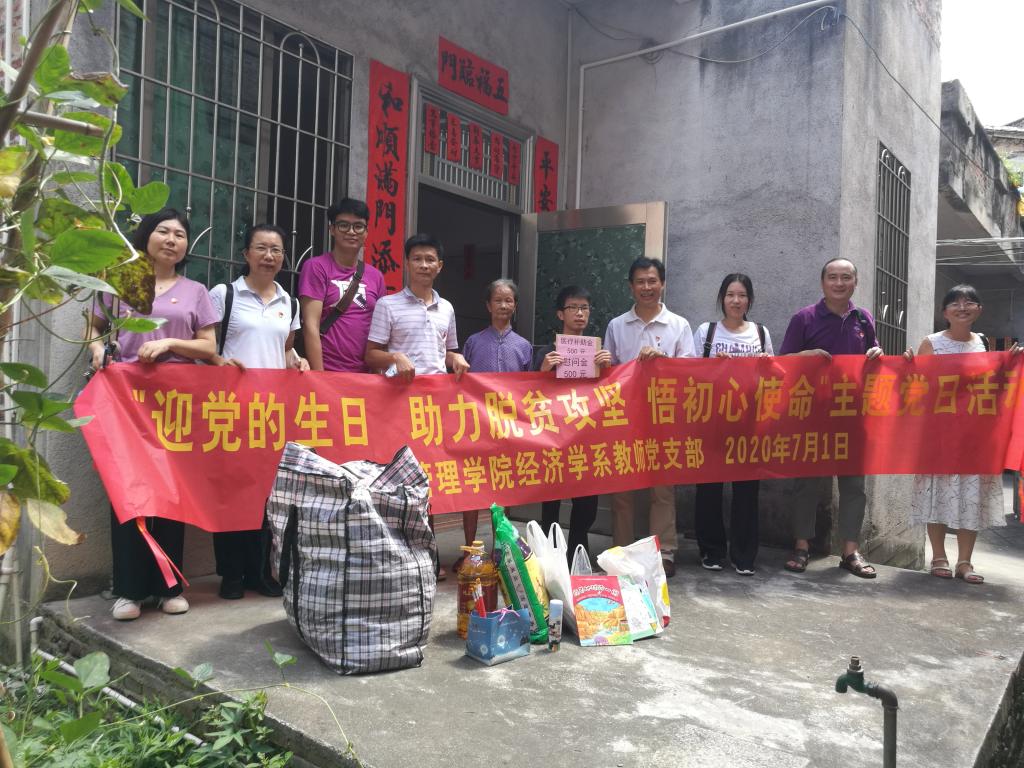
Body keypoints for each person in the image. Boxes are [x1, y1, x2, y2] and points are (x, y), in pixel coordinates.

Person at [87, 208, 218, 620]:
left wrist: (169, 345)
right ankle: (129, 590)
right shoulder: (122, 280)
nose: (171, 239)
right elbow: (93, 327)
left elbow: (208, 347)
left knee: (172, 493)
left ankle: (169, 588)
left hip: (174, 405)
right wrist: (96, 350)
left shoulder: (196, 291)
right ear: (147, 236)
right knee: (127, 492)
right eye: (163, 231)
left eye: (180, 234)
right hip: (126, 402)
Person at [208, 223, 309, 600]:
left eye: (276, 250)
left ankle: (261, 571)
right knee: (232, 493)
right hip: (231, 411)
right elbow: (207, 348)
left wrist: (297, 361)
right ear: (246, 253)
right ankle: (231, 573)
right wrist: (220, 364)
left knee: (268, 494)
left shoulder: (289, 303)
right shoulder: (225, 295)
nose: (269, 256)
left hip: (272, 415)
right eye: (262, 248)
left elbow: (285, 348)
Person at [365, 234, 470, 580]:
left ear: (440, 266)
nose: (424, 265)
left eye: (430, 259)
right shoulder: (388, 305)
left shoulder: (447, 308)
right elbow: (371, 355)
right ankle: (404, 555)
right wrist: (394, 357)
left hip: (435, 410)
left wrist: (456, 359)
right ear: (406, 264)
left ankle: (430, 555)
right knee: (403, 481)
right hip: (397, 407)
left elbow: (447, 350)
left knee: (433, 480)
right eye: (417, 259)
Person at [905, 285, 1019, 584]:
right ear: (945, 312)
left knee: (972, 495)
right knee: (936, 493)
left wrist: (1011, 363)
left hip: (974, 437)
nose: (962, 307)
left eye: (970, 302)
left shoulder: (982, 344)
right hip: (939, 435)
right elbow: (918, 388)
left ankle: (965, 562)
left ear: (979, 310)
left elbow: (994, 387)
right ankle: (938, 557)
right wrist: (908, 368)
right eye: (955, 303)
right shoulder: (931, 343)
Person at [779, 257, 883, 578]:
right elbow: (782, 363)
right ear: (823, 282)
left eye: (846, 277)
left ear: (855, 282)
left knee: (854, 485)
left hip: (852, 414)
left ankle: (850, 552)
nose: (839, 283)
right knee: (806, 483)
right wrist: (805, 356)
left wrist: (877, 354)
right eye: (833, 277)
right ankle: (801, 546)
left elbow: (873, 357)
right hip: (811, 414)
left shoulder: (863, 319)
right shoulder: (804, 318)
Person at [604, 256, 696, 577]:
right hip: (625, 419)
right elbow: (608, 374)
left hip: (663, 418)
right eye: (640, 282)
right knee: (622, 490)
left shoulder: (679, 325)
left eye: (652, 281)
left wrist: (664, 361)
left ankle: (664, 552)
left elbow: (691, 372)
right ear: (631, 286)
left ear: (663, 284)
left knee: (662, 489)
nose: (647, 287)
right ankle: (621, 552)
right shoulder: (616, 326)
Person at [693, 273, 773, 575]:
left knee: (747, 491)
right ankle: (711, 551)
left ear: (749, 300)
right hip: (711, 421)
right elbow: (689, 373)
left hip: (749, 423)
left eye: (741, 295)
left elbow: (774, 378)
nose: (736, 301)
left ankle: (744, 555)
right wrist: (713, 365)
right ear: (722, 298)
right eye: (730, 295)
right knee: (709, 489)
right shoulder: (707, 332)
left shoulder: (761, 333)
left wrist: (765, 365)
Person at [457, 279, 532, 569]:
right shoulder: (473, 343)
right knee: (471, 488)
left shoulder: (523, 346)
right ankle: (470, 553)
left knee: (503, 488)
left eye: (508, 300)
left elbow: (530, 389)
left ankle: (501, 550)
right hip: (476, 426)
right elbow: (460, 385)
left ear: (515, 306)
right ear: (488, 305)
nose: (503, 305)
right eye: (498, 300)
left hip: (508, 429)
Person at [534, 285, 611, 560]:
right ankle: (550, 558)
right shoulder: (546, 352)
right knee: (551, 502)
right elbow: (527, 394)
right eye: (573, 308)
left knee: (586, 502)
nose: (579, 313)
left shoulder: (598, 352)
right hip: (554, 436)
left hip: (586, 437)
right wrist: (543, 370)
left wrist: (608, 368)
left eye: (584, 308)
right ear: (560, 314)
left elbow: (611, 393)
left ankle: (578, 555)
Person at [298, 198, 386, 372]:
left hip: (365, 377)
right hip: (328, 372)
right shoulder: (316, 267)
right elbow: (310, 325)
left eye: (358, 226)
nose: (351, 232)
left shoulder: (376, 276)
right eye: (343, 225)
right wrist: (320, 377)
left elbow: (379, 333)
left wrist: (377, 376)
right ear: (332, 229)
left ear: (366, 232)